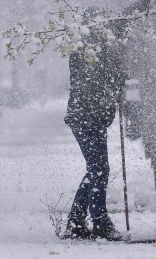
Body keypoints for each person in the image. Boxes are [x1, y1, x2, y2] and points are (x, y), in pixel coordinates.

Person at [63, 28, 126, 240]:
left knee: (97, 169)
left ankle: (76, 221)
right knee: (99, 169)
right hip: (86, 118)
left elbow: (109, 80)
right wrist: (117, 74)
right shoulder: (87, 53)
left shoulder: (93, 52)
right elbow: (96, 82)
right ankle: (99, 221)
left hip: (90, 118)